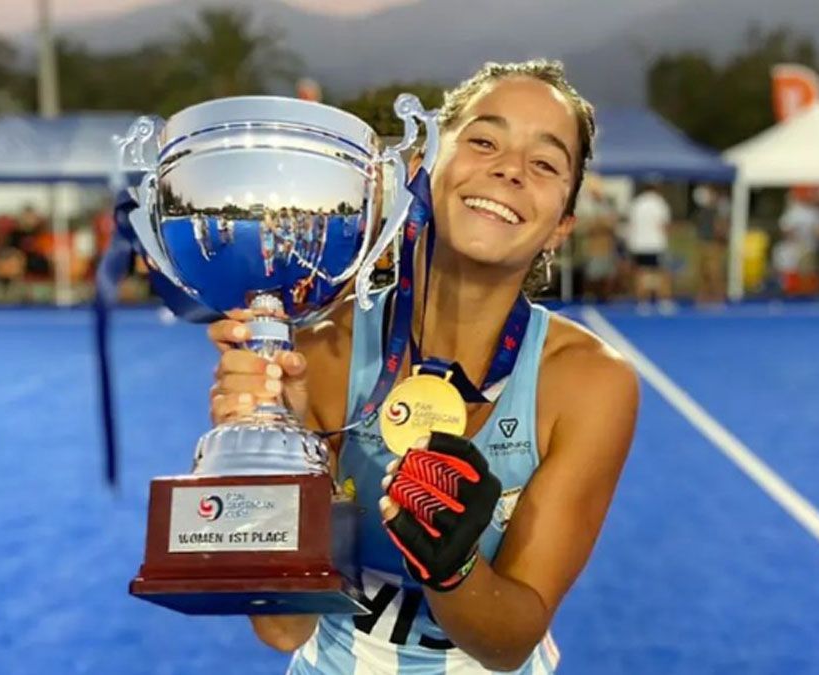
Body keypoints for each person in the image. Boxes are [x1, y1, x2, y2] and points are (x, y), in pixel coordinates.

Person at [206, 60, 638, 673]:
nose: (510, 168)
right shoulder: (323, 352)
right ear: (421, 168)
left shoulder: (590, 383)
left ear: (560, 228)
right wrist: (267, 450)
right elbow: (282, 626)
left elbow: (509, 642)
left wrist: (452, 566)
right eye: (483, 140)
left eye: (544, 163)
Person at [625, 182, 674, 313]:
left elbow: (631, 224)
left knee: (641, 273)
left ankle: (643, 302)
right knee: (660, 273)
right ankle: (664, 301)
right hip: (656, 244)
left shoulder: (636, 203)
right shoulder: (660, 203)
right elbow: (664, 225)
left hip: (639, 244)